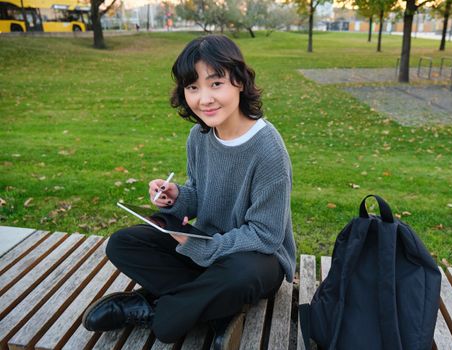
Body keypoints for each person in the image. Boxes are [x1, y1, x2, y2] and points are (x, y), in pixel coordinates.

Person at [82, 34, 296, 349]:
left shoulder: (268, 149)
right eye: (193, 87)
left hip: (256, 259)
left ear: (239, 81)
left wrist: (203, 248)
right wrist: (176, 197)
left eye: (215, 84)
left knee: (236, 279)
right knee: (122, 244)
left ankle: (156, 311)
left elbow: (265, 235)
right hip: (206, 243)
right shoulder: (199, 136)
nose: (204, 99)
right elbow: (199, 194)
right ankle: (213, 309)